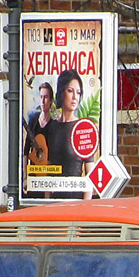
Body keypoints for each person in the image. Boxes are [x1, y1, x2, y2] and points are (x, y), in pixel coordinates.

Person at [42, 68, 93, 199]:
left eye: (78, 92)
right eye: (70, 91)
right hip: (54, 201)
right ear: (61, 92)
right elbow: (48, 166)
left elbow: (90, 175)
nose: (75, 97)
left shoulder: (83, 128)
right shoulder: (52, 127)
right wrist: (46, 201)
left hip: (75, 201)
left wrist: (84, 207)